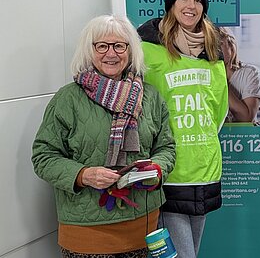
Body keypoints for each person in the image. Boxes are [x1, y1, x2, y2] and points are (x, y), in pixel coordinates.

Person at [32, 15, 176, 258]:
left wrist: (156, 169)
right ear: (90, 51)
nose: (112, 53)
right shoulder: (68, 99)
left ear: (131, 51)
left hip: (144, 228)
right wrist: (83, 175)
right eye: (102, 46)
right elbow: (43, 157)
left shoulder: (151, 97)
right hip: (87, 234)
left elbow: (167, 148)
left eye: (119, 45)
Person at [137, 0, 228, 258]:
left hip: (204, 167)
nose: (191, 5)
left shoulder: (212, 48)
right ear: (171, 4)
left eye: (197, 0)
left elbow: (219, 109)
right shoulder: (147, 47)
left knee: (190, 253)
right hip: (168, 169)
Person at [218, 26, 260, 123]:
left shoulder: (250, 73)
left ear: (231, 46)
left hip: (242, 136)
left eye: (220, 44)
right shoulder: (204, 73)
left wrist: (220, 82)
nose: (215, 50)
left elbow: (246, 118)